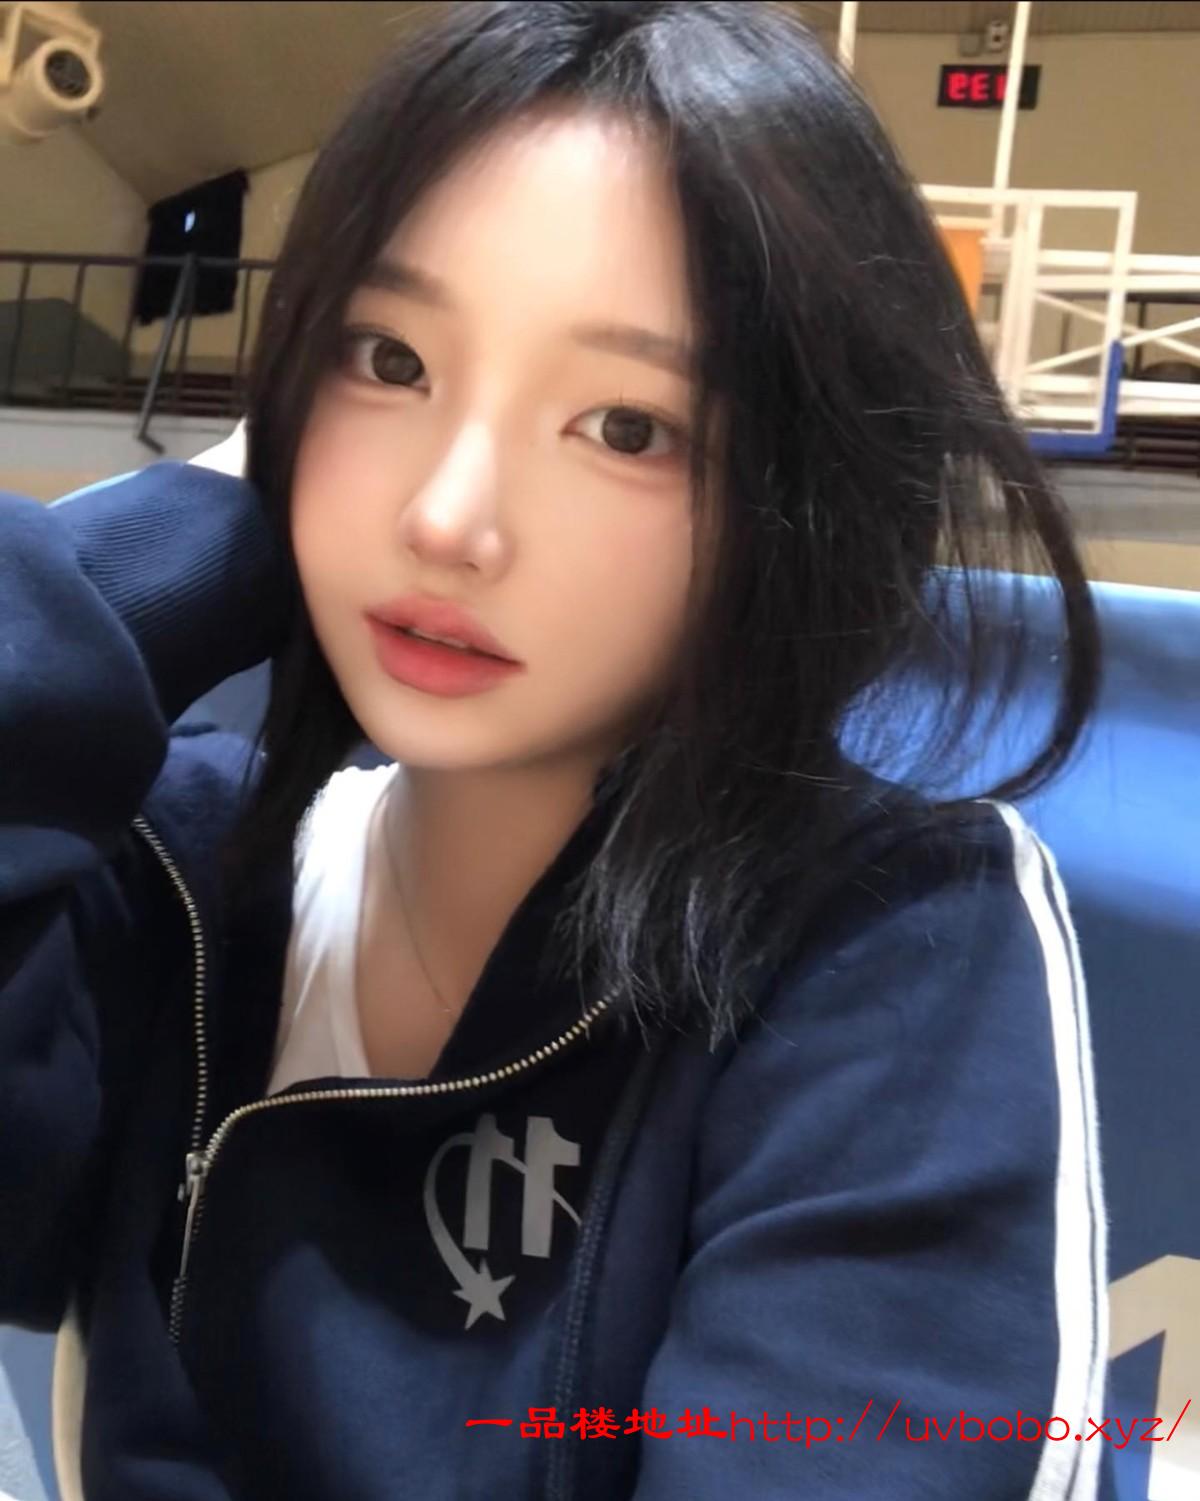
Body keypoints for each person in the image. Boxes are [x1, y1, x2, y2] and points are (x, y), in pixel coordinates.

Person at [0, 3, 1113, 1498]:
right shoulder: (175, 872)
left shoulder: (890, 939)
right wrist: (180, 550)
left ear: (791, 502)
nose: (449, 518)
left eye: (628, 428)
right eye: (389, 358)